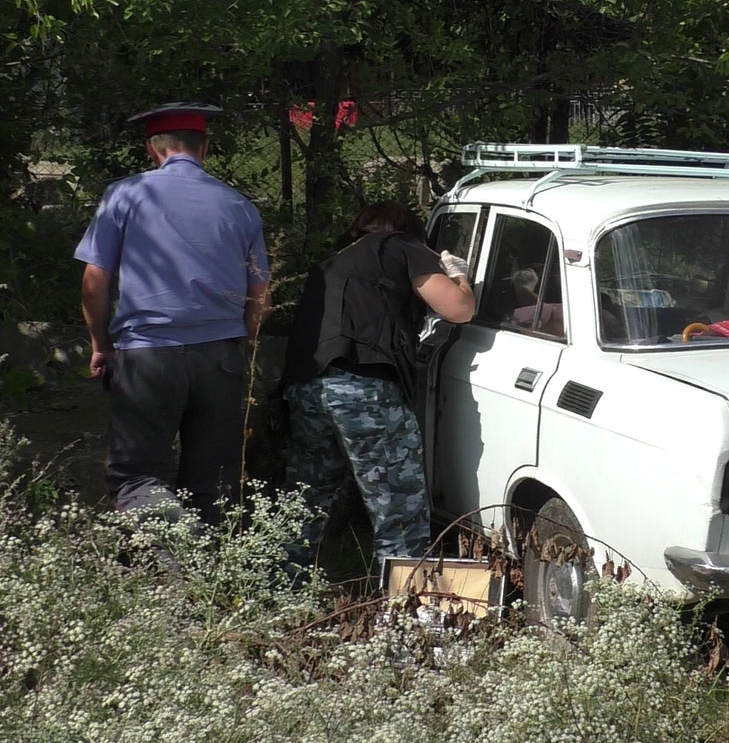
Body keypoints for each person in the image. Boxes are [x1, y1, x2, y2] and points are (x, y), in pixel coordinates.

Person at [74, 101, 271, 527]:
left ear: (152, 149)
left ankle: (176, 561)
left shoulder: (126, 195)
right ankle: (210, 578)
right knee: (212, 481)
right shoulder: (238, 205)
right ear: (205, 147)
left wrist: (100, 344)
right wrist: (241, 346)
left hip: (148, 354)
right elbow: (260, 294)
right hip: (220, 355)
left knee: (136, 475)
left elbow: (95, 280)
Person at [281, 200, 474, 573]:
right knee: (396, 504)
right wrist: (459, 277)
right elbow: (458, 310)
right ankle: (404, 606)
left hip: (308, 387)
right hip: (365, 389)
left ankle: (282, 590)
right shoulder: (403, 247)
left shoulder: (334, 261)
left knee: (308, 494)